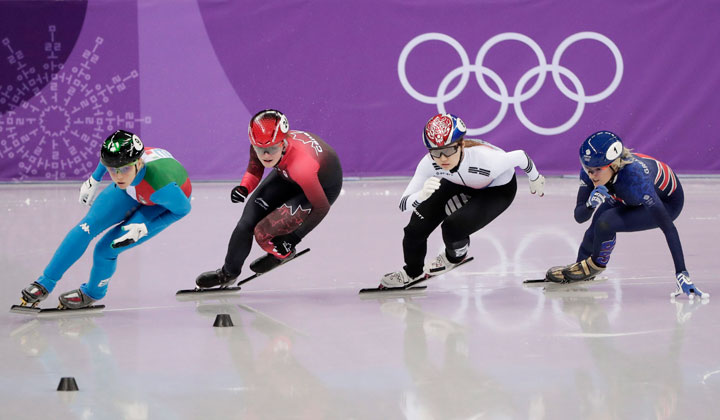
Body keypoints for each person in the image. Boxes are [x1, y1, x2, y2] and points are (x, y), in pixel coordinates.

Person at [18, 130, 192, 309]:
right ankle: (44, 283)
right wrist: (94, 179)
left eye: (124, 169)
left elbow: (183, 210)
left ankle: (93, 293)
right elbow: (108, 160)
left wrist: (147, 227)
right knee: (85, 227)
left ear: (138, 163)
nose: (117, 176)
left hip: (160, 202)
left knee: (105, 249)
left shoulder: (163, 186)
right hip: (133, 189)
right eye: (112, 170)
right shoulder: (122, 164)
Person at [380, 113, 545, 288]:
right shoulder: (429, 163)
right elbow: (403, 204)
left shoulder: (487, 160)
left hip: (497, 189)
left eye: (449, 149)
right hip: (457, 182)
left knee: (453, 227)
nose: (443, 158)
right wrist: (420, 197)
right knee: (414, 229)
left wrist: (535, 178)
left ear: (462, 145)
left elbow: (520, 156)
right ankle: (412, 272)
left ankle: (455, 256)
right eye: (436, 152)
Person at [545, 130, 708, 300]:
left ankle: (595, 266)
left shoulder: (637, 180)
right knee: (592, 230)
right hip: (623, 192)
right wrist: (589, 205)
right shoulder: (593, 170)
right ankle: (581, 268)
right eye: (588, 170)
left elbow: (668, 228)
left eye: (597, 170)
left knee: (606, 222)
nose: (592, 175)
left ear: (614, 164)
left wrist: (682, 273)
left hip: (667, 202)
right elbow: (579, 217)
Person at [195, 109, 343, 288]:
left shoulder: (302, 166)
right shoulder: (261, 143)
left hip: (320, 187)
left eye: (272, 149)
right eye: (260, 149)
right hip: (287, 175)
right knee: (245, 225)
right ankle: (227, 273)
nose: (265, 155)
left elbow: (321, 207)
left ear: (284, 143)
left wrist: (293, 238)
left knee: (264, 234)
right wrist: (244, 188)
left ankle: (284, 253)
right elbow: (255, 169)